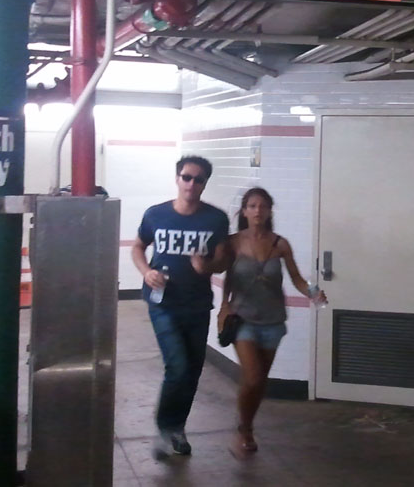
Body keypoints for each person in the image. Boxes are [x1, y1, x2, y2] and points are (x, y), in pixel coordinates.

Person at [131, 155, 230, 459]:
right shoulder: (156, 214)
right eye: (186, 177)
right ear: (177, 179)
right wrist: (146, 271)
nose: (191, 183)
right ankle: (166, 425)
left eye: (198, 179)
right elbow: (137, 246)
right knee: (178, 365)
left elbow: (224, 260)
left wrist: (208, 266)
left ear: (204, 184)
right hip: (163, 304)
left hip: (198, 305)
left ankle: (177, 427)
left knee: (192, 370)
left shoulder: (215, 219)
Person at [216, 186, 325, 457]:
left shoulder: (280, 244)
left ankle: (248, 424)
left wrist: (313, 293)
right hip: (243, 319)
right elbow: (228, 278)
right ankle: (243, 427)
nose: (258, 211)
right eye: (252, 206)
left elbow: (297, 279)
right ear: (244, 211)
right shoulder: (234, 242)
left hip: (273, 321)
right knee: (252, 376)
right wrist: (224, 307)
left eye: (263, 206)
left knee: (260, 381)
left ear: (269, 211)